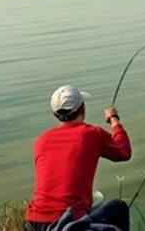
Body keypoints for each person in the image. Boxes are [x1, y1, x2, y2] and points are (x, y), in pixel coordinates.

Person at [24, 85, 132, 231]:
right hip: (68, 223)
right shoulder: (91, 134)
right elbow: (124, 152)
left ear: (55, 113)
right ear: (82, 110)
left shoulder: (41, 140)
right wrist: (114, 119)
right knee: (118, 208)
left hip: (33, 223)